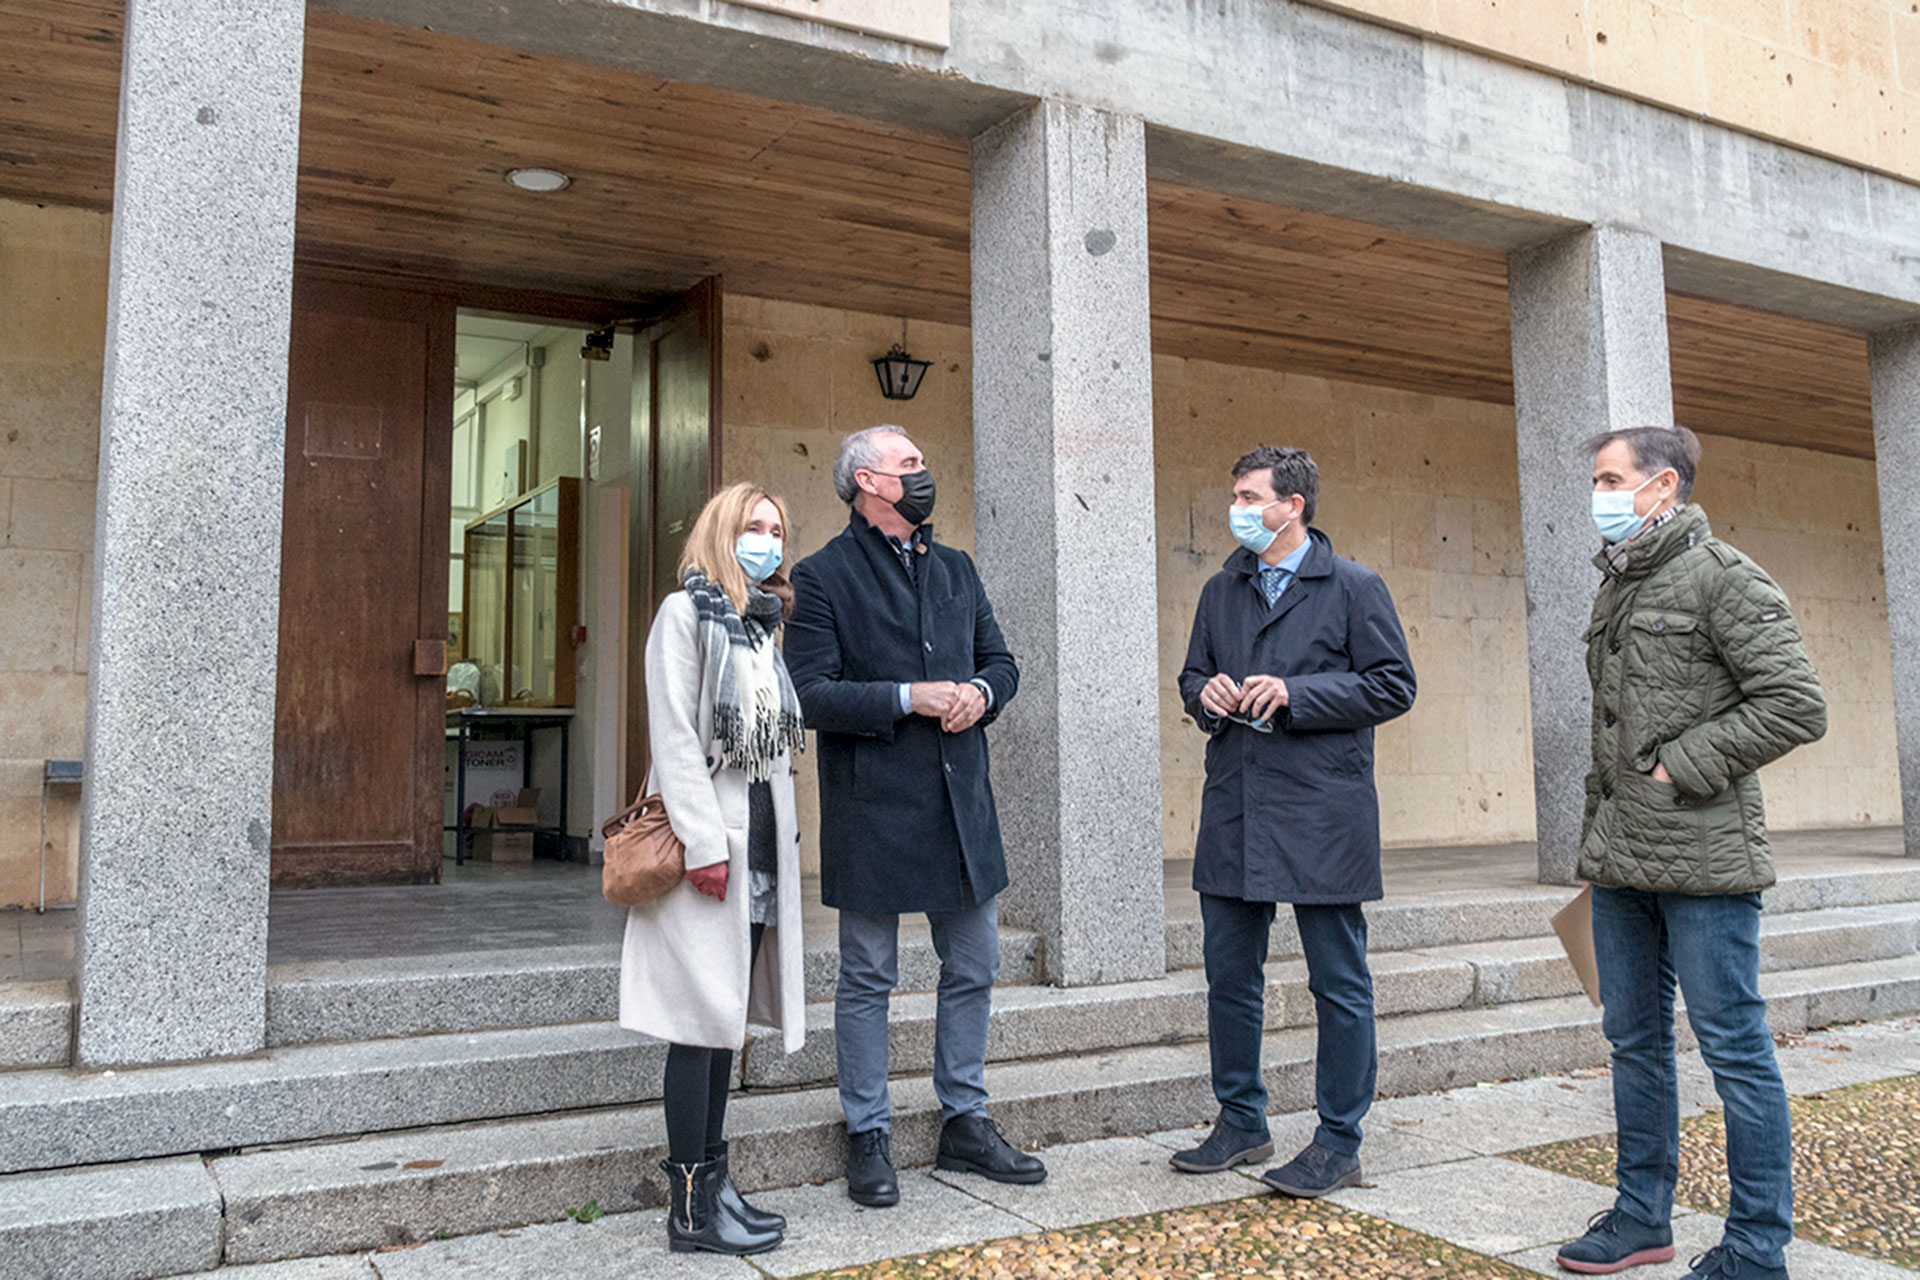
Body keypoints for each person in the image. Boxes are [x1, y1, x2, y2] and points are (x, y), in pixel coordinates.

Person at [1553, 427, 1825, 1280]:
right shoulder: (1620, 586)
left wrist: (1682, 765)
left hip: (1705, 862)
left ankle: (1755, 1246)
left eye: (1610, 478)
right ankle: (1641, 1217)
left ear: (1661, 486)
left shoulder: (1724, 578)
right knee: (1632, 1042)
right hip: (1621, 862)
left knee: (1735, 1050)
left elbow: (1795, 703)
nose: (1597, 493)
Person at [783, 424, 1043, 1208]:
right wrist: (910, 697)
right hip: (874, 808)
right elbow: (810, 694)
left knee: (976, 965)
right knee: (868, 975)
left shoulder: (957, 567)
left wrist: (982, 694)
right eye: (910, 465)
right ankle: (868, 1132)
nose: (924, 475)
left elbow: (1002, 661)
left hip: (961, 806)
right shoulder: (821, 576)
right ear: (868, 481)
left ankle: (965, 1120)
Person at [1172, 445, 1416, 1197]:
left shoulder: (1353, 586)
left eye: (1251, 497)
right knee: (1229, 977)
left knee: (1337, 981)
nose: (1238, 509)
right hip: (1237, 807)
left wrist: (1298, 693)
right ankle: (1240, 1119)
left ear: (1293, 506)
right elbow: (1191, 674)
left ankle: (1339, 1140)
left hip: (1322, 814)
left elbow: (1393, 685)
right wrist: (1203, 695)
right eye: (1236, 495)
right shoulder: (1222, 589)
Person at [619, 481, 808, 1256]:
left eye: (776, 529)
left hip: (757, 847)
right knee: (696, 1029)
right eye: (752, 527)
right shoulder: (683, 614)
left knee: (722, 1026)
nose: (767, 539)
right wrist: (702, 846)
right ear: (720, 533)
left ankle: (717, 1189)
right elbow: (672, 736)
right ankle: (689, 1208)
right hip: (711, 850)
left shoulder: (763, 626)